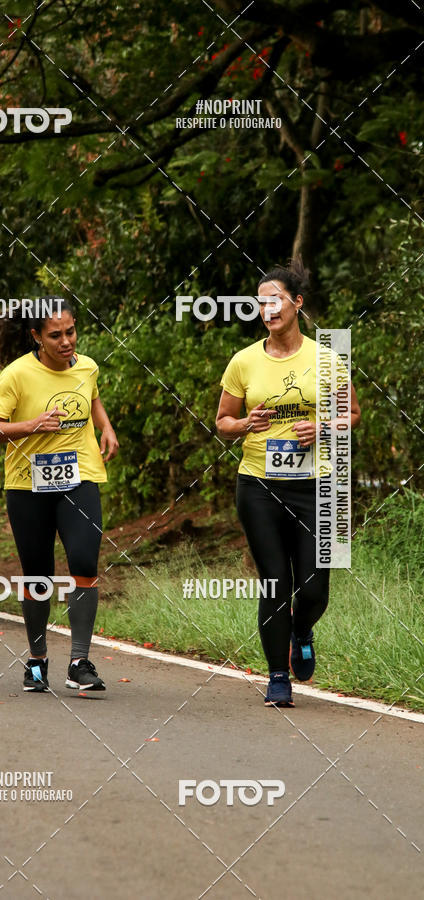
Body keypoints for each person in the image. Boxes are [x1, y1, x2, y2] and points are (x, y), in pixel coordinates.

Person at [215, 260, 361, 707]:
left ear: (297, 303)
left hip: (318, 485)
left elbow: (352, 414)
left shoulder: (327, 358)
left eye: (275, 299)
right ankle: (278, 675)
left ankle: (302, 627)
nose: (267, 308)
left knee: (315, 588)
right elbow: (222, 422)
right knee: (275, 581)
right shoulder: (244, 362)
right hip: (259, 485)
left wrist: (323, 428)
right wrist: (245, 423)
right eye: (261, 302)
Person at [0, 299, 118, 692]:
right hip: (28, 486)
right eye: (55, 335)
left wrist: (105, 426)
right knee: (38, 574)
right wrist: (31, 426)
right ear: (36, 336)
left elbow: (91, 398)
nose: (66, 341)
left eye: (70, 332)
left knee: (84, 560)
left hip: (80, 477)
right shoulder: (17, 374)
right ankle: (37, 659)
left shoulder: (88, 366)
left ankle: (79, 661)